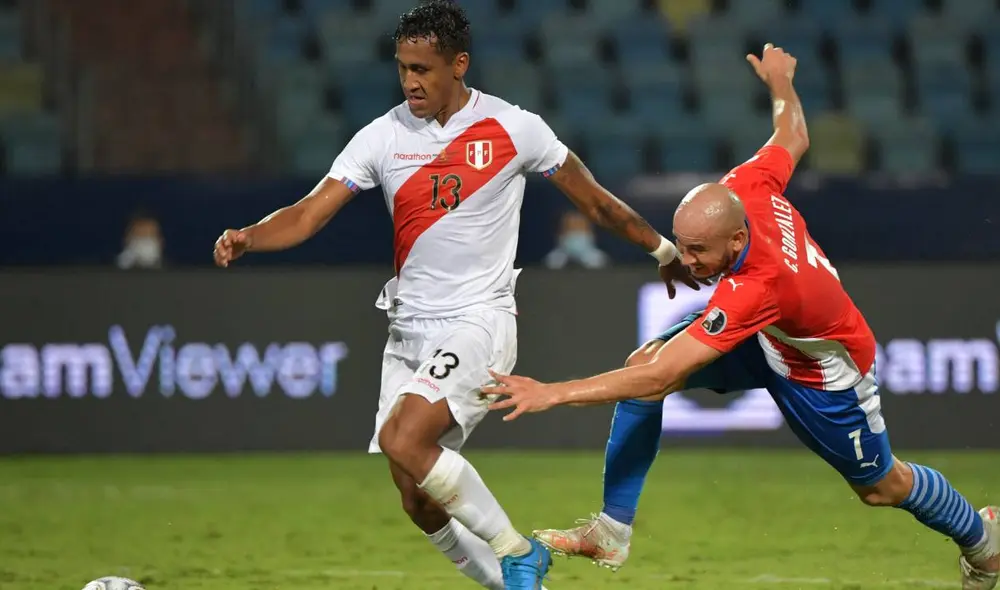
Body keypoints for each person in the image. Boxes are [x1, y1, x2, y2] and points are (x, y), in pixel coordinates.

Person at [212, 2, 699, 588]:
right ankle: (514, 584)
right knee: (416, 497)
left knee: (403, 437)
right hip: (407, 331)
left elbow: (594, 200)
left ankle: (519, 551)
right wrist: (249, 236)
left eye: (424, 68)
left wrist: (662, 250)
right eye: (403, 68)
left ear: (458, 64)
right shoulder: (383, 135)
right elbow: (309, 214)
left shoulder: (514, 129)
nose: (412, 81)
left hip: (477, 321)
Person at [482, 43, 1000, 590]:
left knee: (881, 487)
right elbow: (793, 136)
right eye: (683, 246)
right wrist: (781, 83)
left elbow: (664, 374)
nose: (688, 261)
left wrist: (553, 393)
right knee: (645, 368)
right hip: (773, 338)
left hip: (825, 373)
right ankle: (612, 529)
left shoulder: (759, 285)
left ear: (735, 240)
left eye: (697, 253)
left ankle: (982, 540)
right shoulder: (744, 186)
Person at [544, 210, 609, 269]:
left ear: (591, 233)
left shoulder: (601, 261)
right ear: (560, 234)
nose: (576, 232)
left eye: (580, 228)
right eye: (571, 228)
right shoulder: (551, 262)